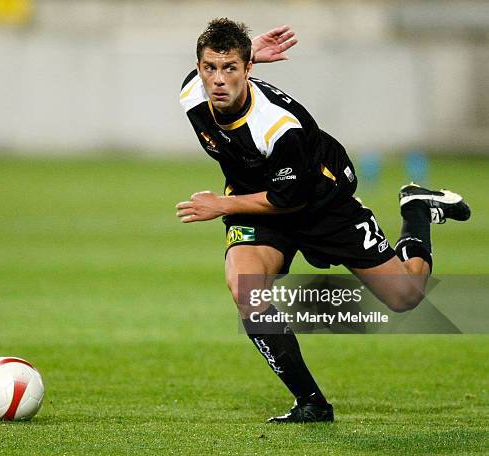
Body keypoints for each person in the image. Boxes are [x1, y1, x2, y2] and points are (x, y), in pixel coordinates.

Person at [176, 18, 471, 423]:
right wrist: (245, 55)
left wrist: (222, 206)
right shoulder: (192, 94)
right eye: (211, 68)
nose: (217, 80)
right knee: (247, 290)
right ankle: (312, 403)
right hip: (261, 203)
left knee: (406, 296)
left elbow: (287, 199)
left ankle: (417, 208)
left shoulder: (278, 128)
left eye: (231, 69)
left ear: (248, 71)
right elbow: (208, 73)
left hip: (320, 200)